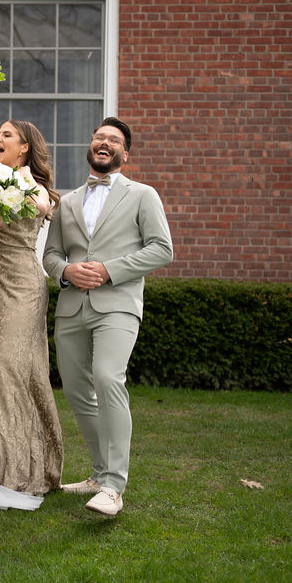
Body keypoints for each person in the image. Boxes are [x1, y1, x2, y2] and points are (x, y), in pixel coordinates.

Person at [42, 117, 173, 517]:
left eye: (113, 140)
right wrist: (66, 271)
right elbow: (50, 255)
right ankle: (99, 474)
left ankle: (115, 486)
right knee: (79, 392)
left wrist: (109, 269)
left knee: (107, 378)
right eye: (99, 137)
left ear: (124, 154)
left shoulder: (142, 195)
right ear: (91, 147)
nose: (104, 142)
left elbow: (161, 249)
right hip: (72, 308)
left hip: (116, 304)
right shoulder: (67, 201)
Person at [0, 97, 65, 496]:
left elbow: (43, 206)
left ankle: (16, 469)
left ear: (24, 147)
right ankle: (1, 462)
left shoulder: (31, 186)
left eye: (7, 135)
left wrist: (13, 187)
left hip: (25, 286)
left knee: (8, 367)